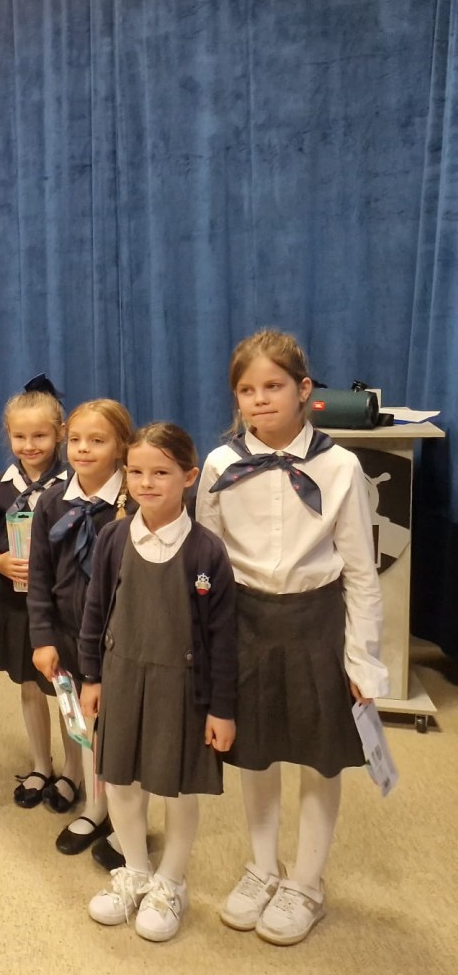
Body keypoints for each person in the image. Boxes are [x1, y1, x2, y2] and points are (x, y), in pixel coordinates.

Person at [196, 329, 386, 946]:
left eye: (273, 386)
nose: (260, 399)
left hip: (316, 625)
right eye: (246, 390)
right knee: (254, 751)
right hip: (245, 623)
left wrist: (364, 659)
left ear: (304, 389)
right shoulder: (220, 466)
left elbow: (361, 572)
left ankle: (306, 882)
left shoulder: (340, 466)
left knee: (319, 755)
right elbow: (206, 564)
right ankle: (262, 868)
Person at [81, 423, 237, 942]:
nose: (146, 483)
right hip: (122, 675)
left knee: (176, 785)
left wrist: (221, 708)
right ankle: (136, 870)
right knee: (120, 780)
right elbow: (96, 611)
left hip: (182, 686)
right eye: (136, 472)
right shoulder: (112, 538)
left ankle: (171, 881)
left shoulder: (206, 552)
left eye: (161, 473)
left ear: (189, 477)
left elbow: (222, 637)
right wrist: (91, 676)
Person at [27, 398, 134, 856]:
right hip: (69, 636)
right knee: (85, 726)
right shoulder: (53, 502)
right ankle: (96, 806)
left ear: (121, 446)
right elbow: (39, 578)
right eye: (75, 440)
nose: (83, 449)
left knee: (122, 731)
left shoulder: (136, 502)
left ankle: (128, 819)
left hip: (122, 643)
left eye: (97, 440)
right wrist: (42, 637)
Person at [0, 378, 67, 809]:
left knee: (64, 689)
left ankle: (73, 774)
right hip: (15, 603)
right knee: (29, 686)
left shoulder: (73, 484)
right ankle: (40, 765)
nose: (29, 446)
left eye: (40, 436)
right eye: (19, 436)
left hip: (61, 606)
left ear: (60, 433)